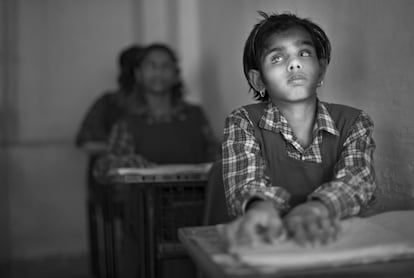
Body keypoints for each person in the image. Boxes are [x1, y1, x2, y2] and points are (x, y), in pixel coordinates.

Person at [221, 11, 376, 250]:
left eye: (304, 53)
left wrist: (317, 207)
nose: (294, 63)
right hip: (269, 244)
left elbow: (357, 182)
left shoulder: (353, 122)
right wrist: (260, 207)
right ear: (258, 80)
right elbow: (245, 184)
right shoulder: (242, 122)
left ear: (321, 69)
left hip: (334, 245)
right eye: (277, 58)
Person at [94, 43, 219, 175]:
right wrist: (124, 162)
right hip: (142, 195)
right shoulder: (127, 123)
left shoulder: (196, 115)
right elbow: (103, 167)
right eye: (151, 66)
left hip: (197, 194)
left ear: (176, 74)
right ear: (138, 74)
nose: (158, 72)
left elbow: (216, 158)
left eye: (165, 66)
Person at [75, 44, 143, 277]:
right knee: (124, 241)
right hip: (114, 185)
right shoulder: (110, 103)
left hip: (148, 185)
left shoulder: (160, 103)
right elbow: (85, 141)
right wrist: (123, 147)